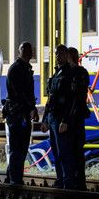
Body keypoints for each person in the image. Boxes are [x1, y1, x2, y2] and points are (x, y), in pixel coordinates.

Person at [3, 42, 38, 186]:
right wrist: (31, 107)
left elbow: (27, 93)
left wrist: (32, 108)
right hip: (17, 113)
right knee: (18, 148)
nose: (27, 52)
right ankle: (15, 180)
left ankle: (12, 177)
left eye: (29, 49)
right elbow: (20, 93)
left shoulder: (25, 68)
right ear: (19, 52)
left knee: (20, 148)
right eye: (24, 49)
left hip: (20, 113)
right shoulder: (17, 69)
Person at [41, 45, 72, 188]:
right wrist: (44, 120)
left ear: (66, 55)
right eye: (56, 54)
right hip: (52, 117)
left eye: (60, 54)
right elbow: (50, 99)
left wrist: (65, 120)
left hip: (60, 118)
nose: (58, 56)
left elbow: (70, 100)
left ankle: (67, 181)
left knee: (63, 151)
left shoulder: (68, 74)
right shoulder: (56, 74)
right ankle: (60, 179)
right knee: (56, 151)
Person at [65, 47, 91, 190]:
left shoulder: (69, 73)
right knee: (78, 151)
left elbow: (72, 96)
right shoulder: (83, 72)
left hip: (71, 118)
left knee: (69, 150)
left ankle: (72, 180)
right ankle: (80, 181)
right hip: (79, 116)